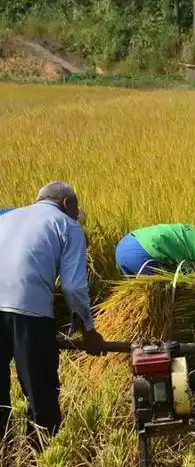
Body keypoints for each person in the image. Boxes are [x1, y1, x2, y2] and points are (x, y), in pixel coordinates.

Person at [0, 182, 106, 444]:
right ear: (67, 205)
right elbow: (73, 286)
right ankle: (41, 455)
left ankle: (6, 450)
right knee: (40, 392)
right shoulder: (67, 225)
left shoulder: (7, 217)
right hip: (28, 309)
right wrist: (89, 331)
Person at [115, 224, 195, 276]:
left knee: (135, 294)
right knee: (167, 291)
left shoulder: (193, 231)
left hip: (124, 245)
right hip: (142, 251)